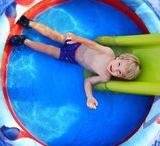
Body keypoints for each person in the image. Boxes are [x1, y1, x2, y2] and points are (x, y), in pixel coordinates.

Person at [9, 15, 141, 109]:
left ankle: (25, 41)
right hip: (76, 44)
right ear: (119, 58)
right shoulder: (109, 53)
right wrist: (76, 38)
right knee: (53, 35)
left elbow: (88, 81)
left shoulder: (105, 77)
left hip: (71, 57)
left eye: (119, 73)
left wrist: (89, 97)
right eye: (119, 65)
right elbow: (92, 44)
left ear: (120, 77)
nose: (115, 70)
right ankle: (29, 23)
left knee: (48, 50)